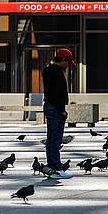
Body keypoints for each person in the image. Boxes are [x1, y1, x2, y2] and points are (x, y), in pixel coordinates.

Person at [42, 48, 75, 180]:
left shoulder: (48, 70)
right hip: (55, 108)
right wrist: (62, 109)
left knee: (52, 138)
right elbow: (57, 93)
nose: (68, 66)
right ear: (63, 60)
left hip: (50, 107)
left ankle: (53, 166)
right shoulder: (56, 72)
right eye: (68, 62)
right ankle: (55, 167)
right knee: (55, 138)